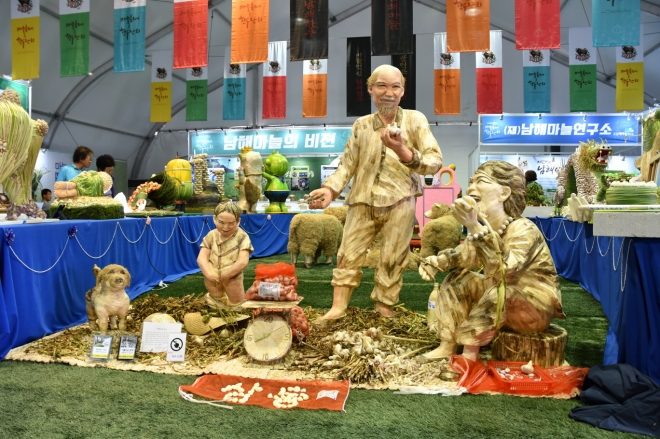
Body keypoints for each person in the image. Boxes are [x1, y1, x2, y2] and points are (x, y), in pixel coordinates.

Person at [310, 64, 443, 321]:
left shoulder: (415, 120)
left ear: (403, 91)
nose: (388, 92)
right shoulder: (361, 126)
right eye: (381, 85)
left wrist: (403, 151)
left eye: (395, 86)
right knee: (347, 253)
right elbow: (348, 164)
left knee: (394, 257)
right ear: (370, 89)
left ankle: (384, 308)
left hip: (400, 199)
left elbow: (434, 161)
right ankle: (338, 308)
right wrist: (329, 189)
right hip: (363, 200)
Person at [417, 160, 565, 363]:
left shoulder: (523, 228)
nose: (471, 188)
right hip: (501, 296)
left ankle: (469, 354)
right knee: (458, 280)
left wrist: (475, 228)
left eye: (481, 181)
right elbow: (465, 255)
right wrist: (437, 262)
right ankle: (448, 344)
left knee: (501, 291)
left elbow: (506, 269)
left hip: (532, 306)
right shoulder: (486, 226)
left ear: (504, 193)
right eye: (470, 182)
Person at [197, 201, 253, 309]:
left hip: (232, 278)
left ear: (238, 222)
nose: (225, 227)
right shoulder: (211, 235)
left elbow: (243, 261)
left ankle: (236, 315)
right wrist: (208, 273)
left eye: (231, 223)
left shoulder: (242, 237)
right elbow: (202, 258)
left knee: (236, 304)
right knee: (215, 302)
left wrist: (228, 274)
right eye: (221, 222)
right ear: (214, 219)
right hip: (212, 278)